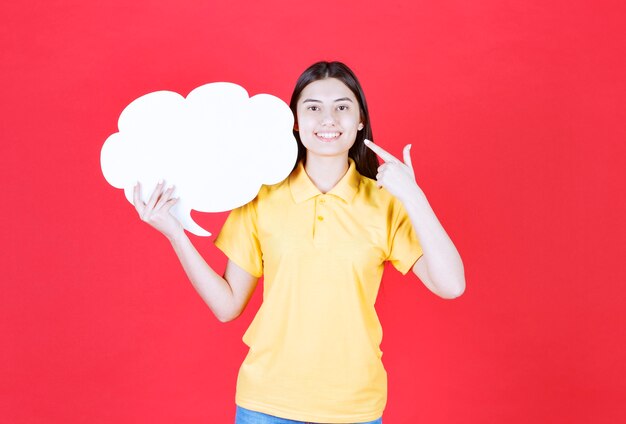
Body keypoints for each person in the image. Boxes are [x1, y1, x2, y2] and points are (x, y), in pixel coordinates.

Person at [132, 61, 465, 424]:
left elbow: (451, 285)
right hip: (266, 404)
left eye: (342, 107)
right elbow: (226, 306)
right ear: (294, 120)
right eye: (313, 107)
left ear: (359, 121)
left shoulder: (385, 202)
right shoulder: (261, 197)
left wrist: (414, 197)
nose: (328, 119)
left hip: (354, 407)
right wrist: (175, 233)